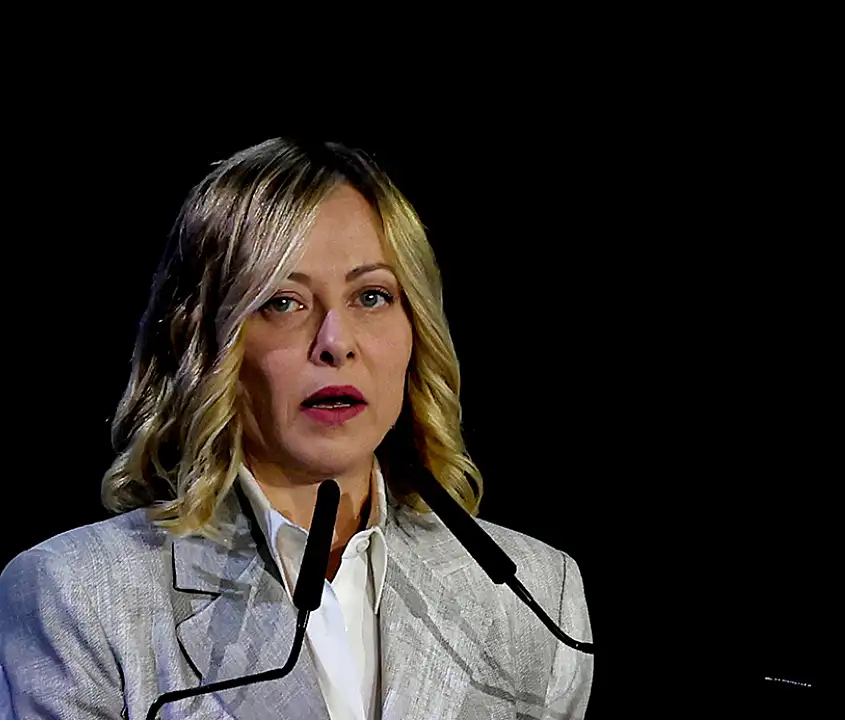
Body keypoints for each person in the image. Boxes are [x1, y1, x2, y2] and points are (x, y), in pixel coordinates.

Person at [0, 137, 593, 719]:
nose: (335, 343)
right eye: (283, 303)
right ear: (204, 342)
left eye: (372, 296)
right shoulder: (80, 595)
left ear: (417, 329)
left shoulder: (540, 597)